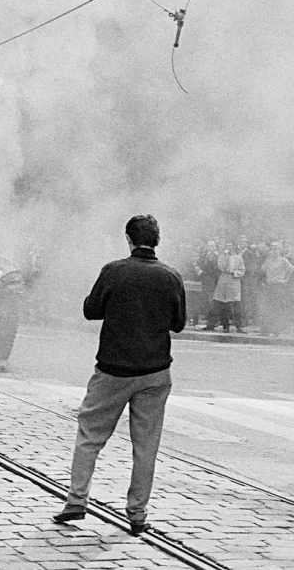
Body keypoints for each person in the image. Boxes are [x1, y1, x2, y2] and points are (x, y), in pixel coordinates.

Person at [54, 215, 185, 536]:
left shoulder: (114, 271)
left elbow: (91, 310)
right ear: (157, 240)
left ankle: (77, 500)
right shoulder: (171, 276)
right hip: (155, 372)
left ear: (128, 239)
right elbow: (178, 324)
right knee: (146, 446)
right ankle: (137, 513)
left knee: (90, 437)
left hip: (113, 370)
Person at [204, 241, 244, 333]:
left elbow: (242, 270)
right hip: (223, 281)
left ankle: (239, 326)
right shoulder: (221, 257)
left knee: (236, 305)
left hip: (234, 282)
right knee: (223, 305)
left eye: (230, 246)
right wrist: (226, 258)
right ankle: (225, 325)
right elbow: (222, 267)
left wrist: (234, 273)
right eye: (227, 246)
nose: (228, 248)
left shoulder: (239, 258)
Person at [258, 242, 293, 337]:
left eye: (276, 249)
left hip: (279, 286)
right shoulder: (268, 260)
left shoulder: (283, 260)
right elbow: (262, 271)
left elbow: (291, 269)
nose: (274, 251)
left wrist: (285, 280)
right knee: (268, 308)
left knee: (277, 308)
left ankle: (276, 330)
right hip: (269, 286)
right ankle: (266, 330)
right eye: (272, 249)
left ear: (280, 250)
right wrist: (263, 281)